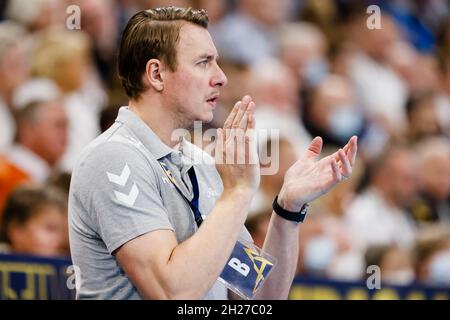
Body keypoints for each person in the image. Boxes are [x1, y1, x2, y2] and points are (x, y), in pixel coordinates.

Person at [68, 7, 357, 300]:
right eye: (203, 62)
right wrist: (237, 192)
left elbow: (258, 298)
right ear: (156, 74)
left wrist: (288, 209)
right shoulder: (113, 157)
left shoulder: (202, 163)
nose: (221, 78)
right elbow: (172, 293)